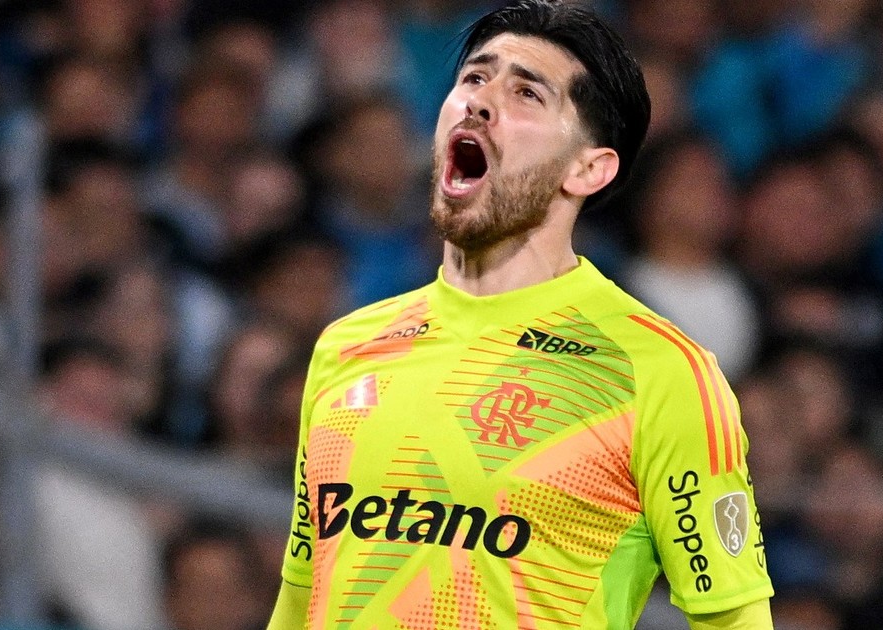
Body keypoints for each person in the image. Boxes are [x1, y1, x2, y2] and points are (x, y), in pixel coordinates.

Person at [267, 1, 774, 628]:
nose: (480, 102)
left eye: (526, 93)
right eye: (474, 78)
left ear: (588, 168)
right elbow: (300, 600)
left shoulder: (659, 373)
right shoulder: (346, 346)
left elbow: (734, 619)